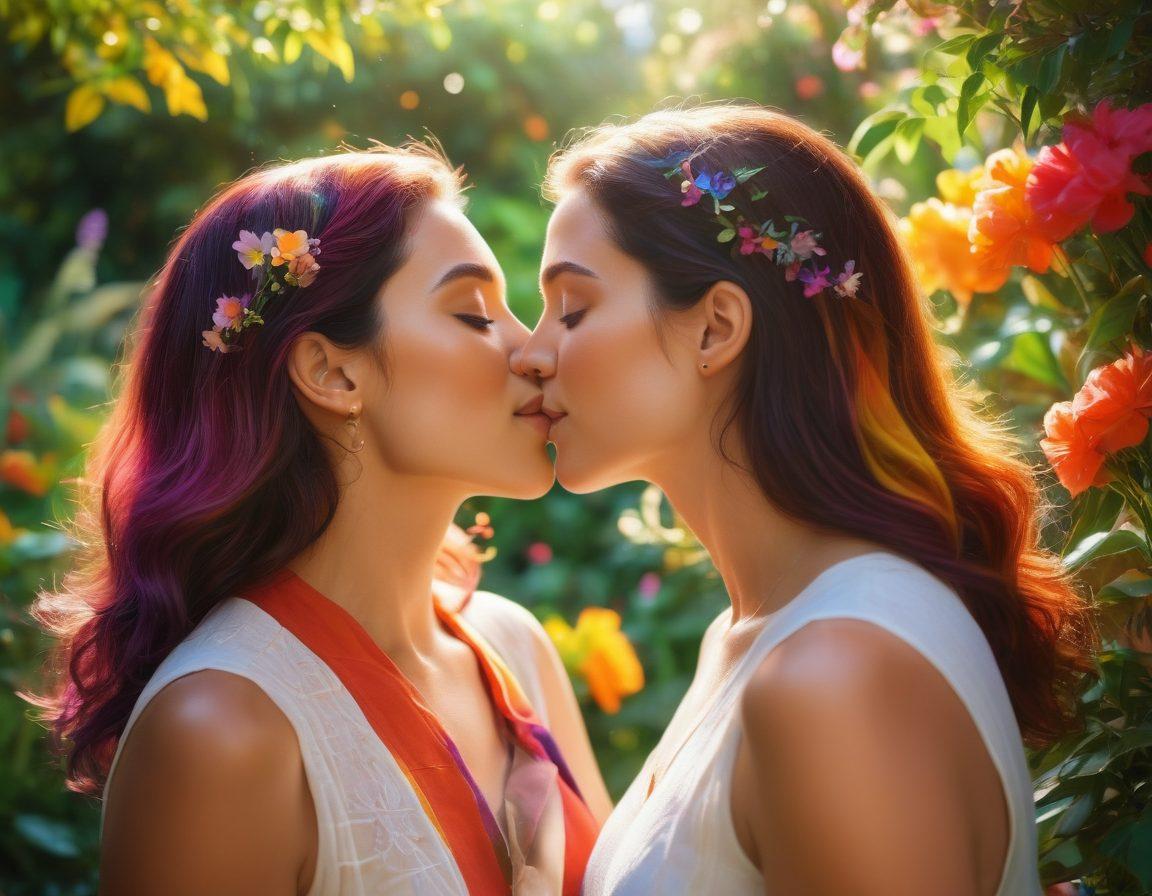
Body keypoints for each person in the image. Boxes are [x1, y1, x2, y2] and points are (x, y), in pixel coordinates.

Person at [514, 103, 1096, 895]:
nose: (531, 352)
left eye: (572, 309)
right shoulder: (759, 636)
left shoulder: (836, 676)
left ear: (715, 328)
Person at [25, 141, 610, 895]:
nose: (533, 351)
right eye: (473, 313)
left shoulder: (515, 647)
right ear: (331, 372)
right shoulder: (222, 731)